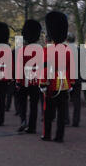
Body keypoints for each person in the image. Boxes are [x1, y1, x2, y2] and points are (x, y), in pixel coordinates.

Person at [40, 12, 75, 142]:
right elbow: (71, 68)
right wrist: (71, 83)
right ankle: (59, 136)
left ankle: (47, 134)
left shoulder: (46, 50)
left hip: (51, 82)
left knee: (48, 111)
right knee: (61, 111)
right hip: (64, 82)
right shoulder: (67, 49)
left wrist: (43, 83)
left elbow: (44, 68)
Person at [16, 19, 42, 133]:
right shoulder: (41, 50)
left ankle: (23, 120)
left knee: (22, 102)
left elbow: (19, 67)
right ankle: (32, 127)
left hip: (24, 79)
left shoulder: (22, 50)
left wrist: (18, 81)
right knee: (34, 104)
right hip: (36, 80)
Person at [64, 32, 81, 127]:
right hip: (77, 78)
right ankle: (76, 121)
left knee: (65, 99)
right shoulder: (80, 50)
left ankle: (66, 119)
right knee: (76, 101)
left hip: (67, 78)